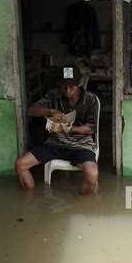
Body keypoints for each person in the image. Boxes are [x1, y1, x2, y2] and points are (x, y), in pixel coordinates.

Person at [15, 65, 99, 195]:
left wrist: (69, 128)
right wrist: (51, 111)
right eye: (64, 86)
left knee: (92, 175)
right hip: (54, 143)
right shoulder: (54, 95)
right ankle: (30, 201)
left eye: (71, 86)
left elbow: (91, 128)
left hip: (81, 144)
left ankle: (82, 207)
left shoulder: (90, 99)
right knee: (20, 164)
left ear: (79, 83)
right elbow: (31, 111)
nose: (67, 90)